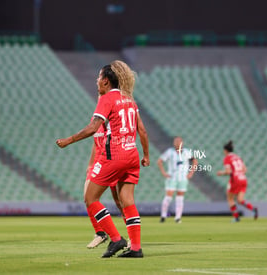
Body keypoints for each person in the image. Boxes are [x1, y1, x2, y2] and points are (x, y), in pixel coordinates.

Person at [56, 60, 150, 258]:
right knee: (127, 201)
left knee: (90, 198)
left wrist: (69, 140)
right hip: (132, 154)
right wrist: (146, 155)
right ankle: (136, 248)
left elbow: (93, 128)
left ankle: (116, 238)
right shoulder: (129, 100)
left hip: (114, 155)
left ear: (106, 81)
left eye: (99, 77)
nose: (97, 81)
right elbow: (142, 130)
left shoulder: (107, 98)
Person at [157, 136, 197, 223]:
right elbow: (160, 161)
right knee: (168, 197)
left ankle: (178, 217)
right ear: (173, 143)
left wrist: (191, 172)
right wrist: (163, 172)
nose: (178, 143)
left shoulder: (186, 152)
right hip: (172, 177)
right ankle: (163, 216)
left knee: (180, 198)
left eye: (179, 141)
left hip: (183, 178)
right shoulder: (169, 152)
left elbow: (194, 161)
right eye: (176, 141)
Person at [217, 140, 258, 222]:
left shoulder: (227, 158)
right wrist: (239, 173)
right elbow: (245, 170)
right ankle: (253, 209)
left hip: (235, 180)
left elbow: (229, 171)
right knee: (240, 200)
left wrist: (221, 173)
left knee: (230, 198)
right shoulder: (238, 157)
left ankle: (236, 217)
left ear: (225, 150)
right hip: (243, 179)